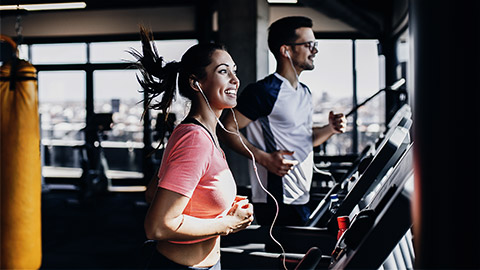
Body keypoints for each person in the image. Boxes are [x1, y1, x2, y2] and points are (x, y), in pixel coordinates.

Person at [133, 27, 254, 269]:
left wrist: (217, 206)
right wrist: (228, 223)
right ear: (196, 83)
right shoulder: (195, 140)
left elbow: (152, 193)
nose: (235, 79)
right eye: (223, 71)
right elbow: (157, 226)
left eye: (234, 71)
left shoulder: (200, 133)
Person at [218, 16, 346, 226]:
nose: (315, 50)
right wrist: (264, 158)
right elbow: (225, 129)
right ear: (286, 50)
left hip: (302, 194)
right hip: (277, 195)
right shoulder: (264, 92)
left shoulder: (304, 92)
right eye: (308, 45)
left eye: (315, 44)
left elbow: (304, 138)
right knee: (285, 257)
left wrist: (330, 128)